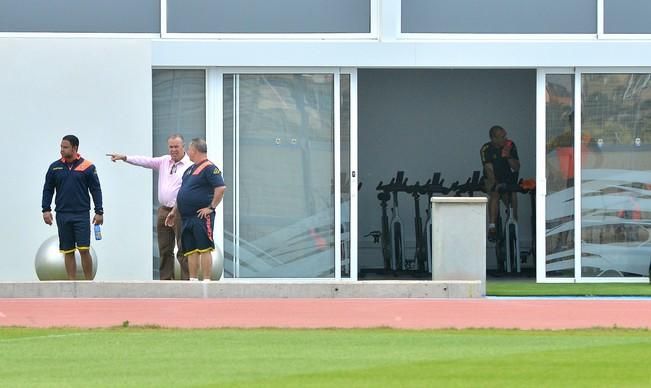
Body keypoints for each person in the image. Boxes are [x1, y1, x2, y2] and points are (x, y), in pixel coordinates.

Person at [106, 134, 191, 280]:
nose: (173, 150)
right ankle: (166, 281)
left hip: (181, 211)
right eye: (171, 146)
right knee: (164, 248)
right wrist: (125, 157)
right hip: (164, 210)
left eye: (176, 146)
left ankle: (187, 281)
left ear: (183, 146)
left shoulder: (190, 165)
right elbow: (145, 161)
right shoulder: (165, 161)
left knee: (183, 248)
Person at [42, 135, 104, 280]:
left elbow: (96, 190)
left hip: (81, 214)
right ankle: (72, 285)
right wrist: (46, 209)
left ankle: (88, 283)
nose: (61, 150)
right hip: (62, 215)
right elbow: (48, 189)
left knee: (84, 249)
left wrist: (99, 211)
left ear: (75, 148)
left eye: (65, 147)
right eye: (61, 147)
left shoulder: (88, 167)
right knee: (68, 251)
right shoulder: (54, 167)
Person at [165, 138, 226, 281]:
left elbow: (221, 188)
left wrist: (211, 207)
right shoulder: (189, 170)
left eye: (190, 150)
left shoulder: (210, 168)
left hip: (201, 216)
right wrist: (174, 211)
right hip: (186, 217)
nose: (188, 153)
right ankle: (192, 280)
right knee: (190, 250)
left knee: (204, 248)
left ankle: (206, 280)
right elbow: (183, 192)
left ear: (195, 150)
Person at [480, 125, 520, 242]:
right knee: (495, 193)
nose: (504, 139)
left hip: (507, 179)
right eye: (501, 137)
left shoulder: (510, 145)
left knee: (512, 197)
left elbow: (516, 167)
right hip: (491, 178)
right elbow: (488, 169)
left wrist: (508, 156)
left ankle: (513, 223)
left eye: (505, 136)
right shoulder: (486, 148)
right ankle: (492, 227)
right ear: (493, 138)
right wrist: (495, 184)